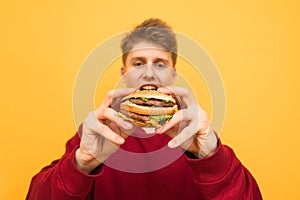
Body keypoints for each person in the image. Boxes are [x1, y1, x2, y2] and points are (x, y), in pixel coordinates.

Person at [26, 18, 262, 200]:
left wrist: (211, 157)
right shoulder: (99, 131)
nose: (149, 73)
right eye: (138, 63)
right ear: (124, 74)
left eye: (160, 64)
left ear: (172, 74)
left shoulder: (195, 134)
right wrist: (83, 162)